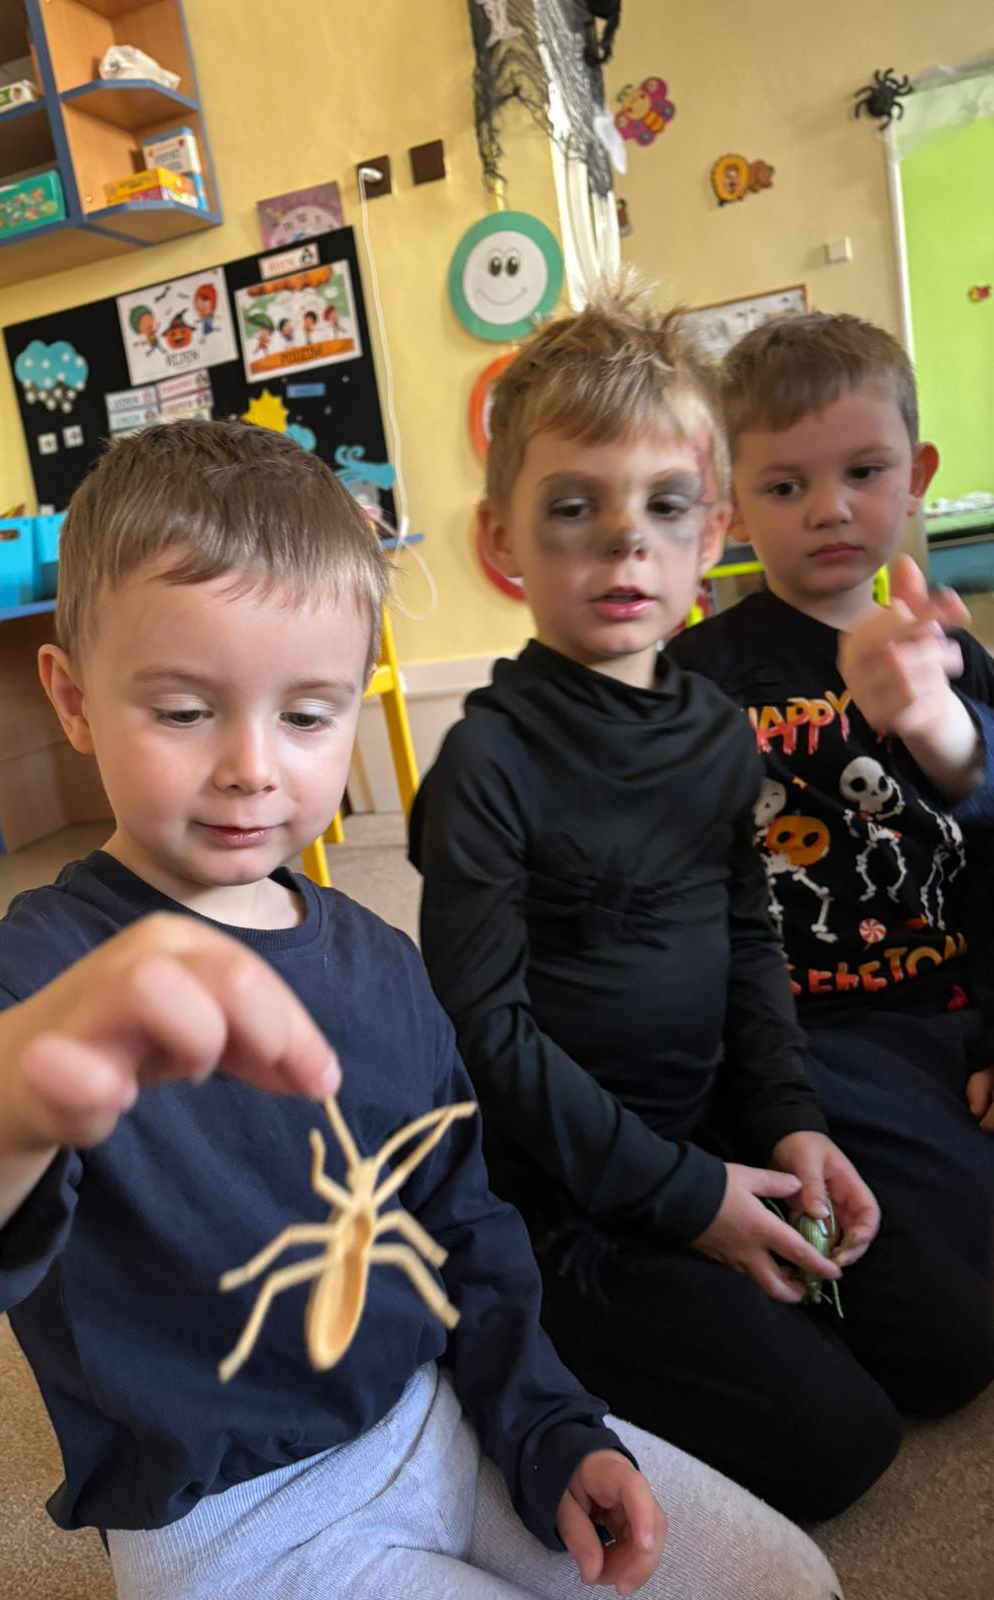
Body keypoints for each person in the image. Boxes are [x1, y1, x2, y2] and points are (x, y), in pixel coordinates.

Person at [0, 421, 840, 1600]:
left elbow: (461, 1218)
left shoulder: (383, 963)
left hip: (441, 1419)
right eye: (183, 711)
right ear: (74, 699)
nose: (252, 766)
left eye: (306, 715)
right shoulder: (24, 998)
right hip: (234, 1524)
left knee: (786, 1581)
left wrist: (547, 1416)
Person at [409, 283, 938, 1524]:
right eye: (574, 508)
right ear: (503, 542)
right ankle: (493, 1347)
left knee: (949, 1344)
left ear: (712, 533)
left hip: (713, 1125)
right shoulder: (486, 765)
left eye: (663, 506)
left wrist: (791, 1121)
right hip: (563, 1193)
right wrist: (689, 1201)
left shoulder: (710, 727)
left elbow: (749, 937)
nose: (623, 544)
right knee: (840, 1446)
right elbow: (487, 1034)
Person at [667, 309, 994, 1394]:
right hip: (817, 1040)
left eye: (863, 471)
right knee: (948, 1339)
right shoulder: (697, 680)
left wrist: (940, 720)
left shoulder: (953, 653)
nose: (830, 509)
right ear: (731, 506)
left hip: (955, 1005)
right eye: (785, 485)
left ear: (917, 474)